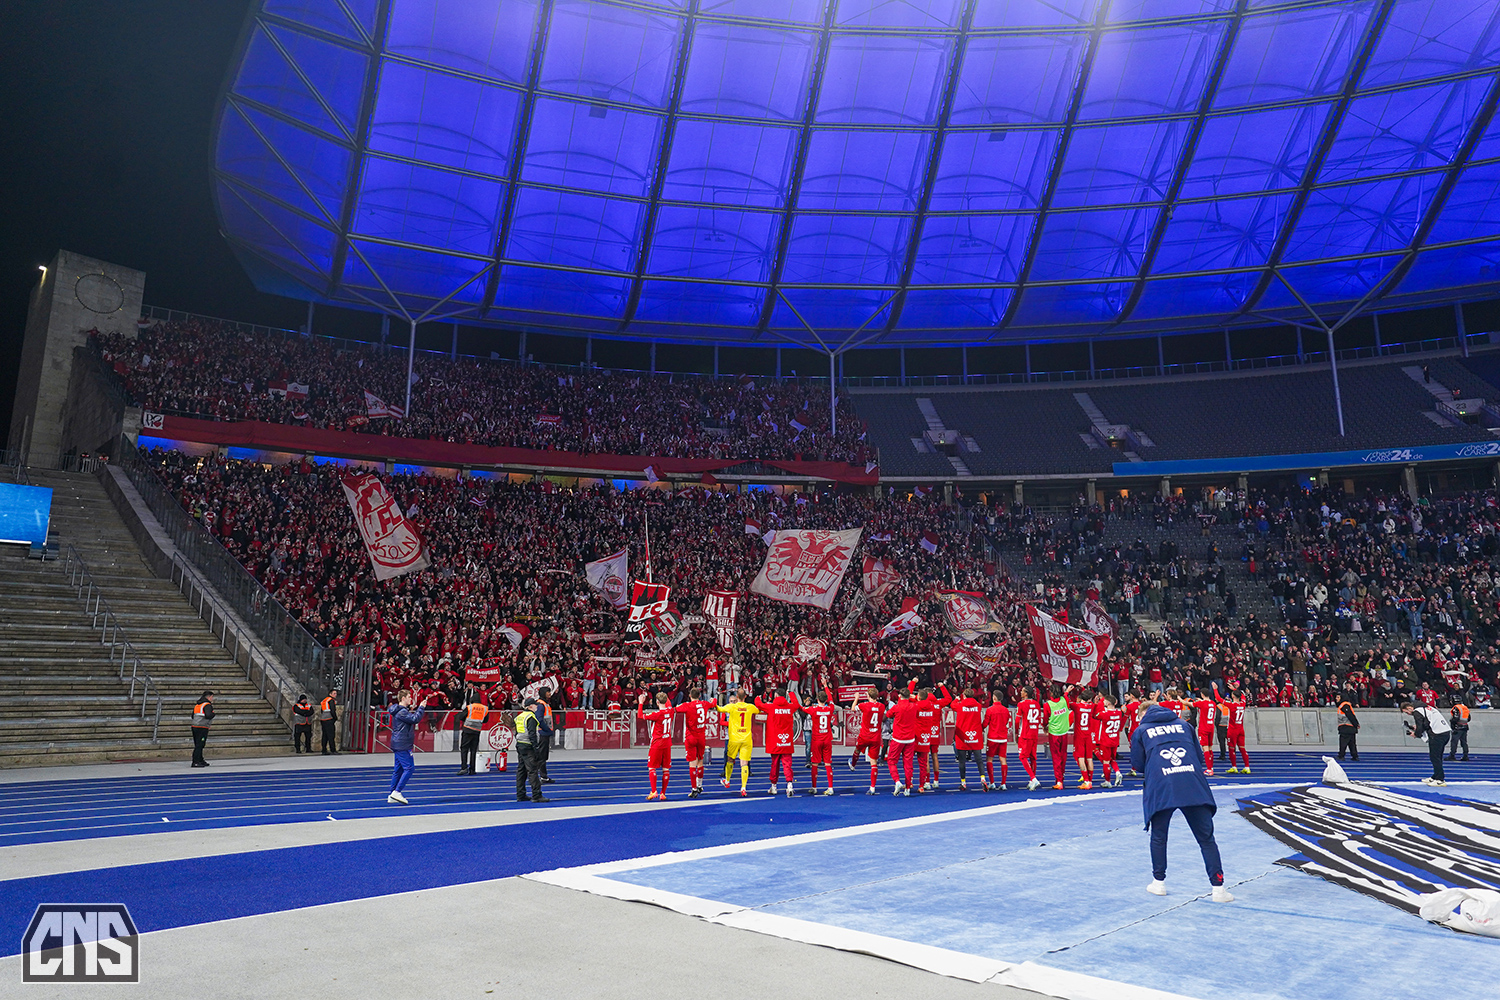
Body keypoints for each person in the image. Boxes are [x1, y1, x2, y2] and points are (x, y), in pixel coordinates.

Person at [1129, 694, 1233, 902]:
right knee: (1206, 839)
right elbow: (1200, 757)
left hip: (1161, 784)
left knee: (1159, 836)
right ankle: (1218, 888)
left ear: (1143, 715)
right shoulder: (1185, 726)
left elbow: (1138, 765)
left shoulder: (1141, 730)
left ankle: (1159, 882)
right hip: (1192, 783)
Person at [755, 687, 799, 797]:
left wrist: (757, 697)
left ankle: (774, 786)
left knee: (774, 764)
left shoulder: (771, 707)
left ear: (775, 696)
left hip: (775, 741)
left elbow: (759, 704)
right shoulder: (790, 707)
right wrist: (791, 694)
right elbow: (796, 704)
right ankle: (789, 785)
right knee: (787, 764)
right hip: (786, 740)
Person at [674, 685, 716, 798]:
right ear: (700, 695)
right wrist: (713, 699)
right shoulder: (704, 704)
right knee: (700, 761)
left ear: (690, 696)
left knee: (692, 763)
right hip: (701, 737)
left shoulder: (687, 705)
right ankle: (700, 785)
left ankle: (694, 789)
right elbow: (713, 703)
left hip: (691, 737)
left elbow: (675, 709)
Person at [718, 689, 761, 796]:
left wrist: (713, 702)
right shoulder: (750, 707)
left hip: (734, 739)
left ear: (737, 697)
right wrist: (759, 700)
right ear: (745, 696)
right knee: (744, 763)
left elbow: (719, 709)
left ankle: (727, 780)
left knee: (730, 759)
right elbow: (759, 710)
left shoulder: (732, 707)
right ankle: (743, 787)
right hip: (746, 739)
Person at [387, 690, 425, 804]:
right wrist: (421, 708)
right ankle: (397, 792)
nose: (411, 698)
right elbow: (415, 719)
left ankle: (392, 793)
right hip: (402, 743)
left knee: (398, 770)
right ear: (403, 698)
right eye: (409, 697)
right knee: (409, 768)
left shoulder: (399, 710)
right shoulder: (402, 712)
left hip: (398, 742)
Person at [800, 681, 837, 795]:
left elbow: (801, 708)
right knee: (828, 764)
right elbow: (831, 699)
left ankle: (814, 787)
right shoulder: (830, 708)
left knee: (815, 764)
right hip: (827, 739)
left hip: (816, 740)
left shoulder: (813, 709)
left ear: (817, 699)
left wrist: (792, 697)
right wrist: (826, 686)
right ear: (826, 700)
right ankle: (830, 788)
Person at [1402, 701, 1451, 786]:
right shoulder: (1428, 708)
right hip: (1445, 732)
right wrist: (1418, 728)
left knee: (1434, 757)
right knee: (1438, 756)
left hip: (1437, 734)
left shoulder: (1417, 711)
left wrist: (1416, 734)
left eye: (1407, 712)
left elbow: (1420, 726)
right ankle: (1435, 776)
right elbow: (1427, 723)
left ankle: (1440, 779)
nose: (1409, 714)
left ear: (1409, 708)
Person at [513, 697, 551, 802]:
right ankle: (537, 795)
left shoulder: (519, 717)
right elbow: (532, 734)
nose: (537, 707)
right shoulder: (531, 717)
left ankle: (520, 794)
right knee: (532, 771)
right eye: (535, 705)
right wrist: (536, 748)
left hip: (520, 744)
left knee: (521, 771)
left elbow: (516, 732)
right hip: (528, 746)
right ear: (530, 707)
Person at [946, 686, 984, 791]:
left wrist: (957, 699)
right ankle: (983, 778)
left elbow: (952, 705)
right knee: (979, 760)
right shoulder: (978, 706)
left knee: (962, 761)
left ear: (964, 695)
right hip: (975, 735)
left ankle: (963, 782)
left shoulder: (960, 705)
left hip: (963, 735)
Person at [639, 691, 676, 800]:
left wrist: (641, 703)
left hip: (657, 743)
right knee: (666, 769)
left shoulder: (656, 714)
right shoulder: (671, 711)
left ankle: (654, 791)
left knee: (652, 767)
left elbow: (640, 715)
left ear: (657, 702)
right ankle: (663, 793)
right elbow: (668, 704)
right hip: (667, 743)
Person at [849, 687, 885, 794]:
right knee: (873, 763)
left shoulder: (864, 705)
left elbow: (853, 709)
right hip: (875, 737)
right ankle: (872, 787)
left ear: (868, 696)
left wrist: (856, 698)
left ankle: (853, 765)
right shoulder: (882, 706)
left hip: (865, 735)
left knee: (857, 750)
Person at [886, 686, 920, 796]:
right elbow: (918, 703)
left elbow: (888, 715)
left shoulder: (897, 707)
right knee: (908, 764)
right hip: (910, 738)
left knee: (891, 761)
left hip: (898, 738)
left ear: (900, 696)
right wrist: (913, 698)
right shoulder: (914, 706)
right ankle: (908, 788)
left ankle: (897, 781)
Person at [1044, 685, 1072, 791]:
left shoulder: (1048, 704)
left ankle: (1059, 781)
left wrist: (1044, 727)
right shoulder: (1064, 700)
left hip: (1054, 733)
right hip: (1064, 732)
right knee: (1063, 756)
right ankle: (1061, 778)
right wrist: (1067, 692)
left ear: (1051, 693)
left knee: (1056, 757)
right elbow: (1065, 697)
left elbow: (1045, 719)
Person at [1016, 686, 1043, 791]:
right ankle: (1032, 780)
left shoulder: (1021, 704)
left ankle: (1033, 778)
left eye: (1022, 691)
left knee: (1022, 757)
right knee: (1033, 757)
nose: (1021, 692)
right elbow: (1039, 718)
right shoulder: (1037, 704)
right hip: (1034, 732)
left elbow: (1017, 720)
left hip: (1025, 733)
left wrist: (1016, 731)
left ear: (1026, 693)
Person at [1094, 693, 1124, 787]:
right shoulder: (1119, 713)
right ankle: (1117, 772)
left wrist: (1096, 704)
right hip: (1114, 739)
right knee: (1112, 759)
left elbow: (1095, 715)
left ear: (1107, 703)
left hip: (1106, 740)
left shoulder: (1104, 714)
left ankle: (1107, 781)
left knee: (1106, 761)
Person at [983, 690, 1010, 791]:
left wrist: (980, 728)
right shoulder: (1006, 710)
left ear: (994, 698)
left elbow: (985, 723)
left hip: (992, 737)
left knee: (989, 759)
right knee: (1003, 760)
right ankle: (1003, 783)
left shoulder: (990, 710)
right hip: (1003, 738)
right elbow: (1006, 721)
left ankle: (992, 782)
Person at [1071, 688, 1096, 789]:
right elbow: (1090, 699)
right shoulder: (1091, 706)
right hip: (1088, 735)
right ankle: (1089, 781)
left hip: (1079, 735)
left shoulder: (1076, 706)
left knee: (1080, 758)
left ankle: (1086, 781)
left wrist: (1067, 692)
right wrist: (1083, 689)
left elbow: (1066, 702)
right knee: (1089, 759)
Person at [458, 691, 487, 775]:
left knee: (464, 749)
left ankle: (464, 768)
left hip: (467, 729)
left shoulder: (470, 707)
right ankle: (472, 769)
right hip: (477, 730)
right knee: (473, 750)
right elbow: (486, 720)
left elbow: (461, 717)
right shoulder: (485, 708)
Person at [1223, 692, 1250, 774]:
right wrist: (1235, 689)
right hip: (1240, 728)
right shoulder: (1242, 703)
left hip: (1233, 730)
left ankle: (1234, 767)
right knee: (1242, 748)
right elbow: (1243, 697)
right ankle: (1247, 767)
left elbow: (1219, 698)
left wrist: (1215, 689)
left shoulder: (1231, 705)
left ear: (1233, 696)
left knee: (1231, 748)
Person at [1191, 689, 1217, 776]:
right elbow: (1206, 705)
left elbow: (1189, 704)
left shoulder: (1201, 703)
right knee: (1210, 748)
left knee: (1205, 749)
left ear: (1202, 694)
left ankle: (1209, 769)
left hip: (1203, 727)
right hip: (1211, 726)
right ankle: (1211, 767)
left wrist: (1179, 699)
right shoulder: (1213, 703)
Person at [191, 690, 215, 768]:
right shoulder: (207, 705)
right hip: (202, 727)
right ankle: (196, 761)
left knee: (198, 744)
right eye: (212, 697)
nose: (212, 699)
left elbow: (192, 715)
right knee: (200, 744)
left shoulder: (198, 705)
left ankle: (200, 759)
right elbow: (208, 715)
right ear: (209, 697)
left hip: (195, 726)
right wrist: (213, 714)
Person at [1335, 698, 1360, 763]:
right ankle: (1355, 756)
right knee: (1352, 743)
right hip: (1350, 727)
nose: (1336, 698)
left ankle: (1341, 755)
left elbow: (1349, 715)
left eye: (1338, 697)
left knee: (1343, 742)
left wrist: (1356, 724)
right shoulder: (1346, 705)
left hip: (1345, 726)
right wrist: (1356, 724)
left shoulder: (1344, 705)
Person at [319, 689, 339, 755]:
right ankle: (333, 750)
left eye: (336, 693)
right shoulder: (331, 700)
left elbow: (322, 710)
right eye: (334, 693)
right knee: (331, 735)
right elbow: (332, 710)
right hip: (329, 718)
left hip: (323, 719)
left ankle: (324, 750)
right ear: (330, 694)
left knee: (324, 735)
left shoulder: (324, 700)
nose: (335, 695)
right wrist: (335, 718)